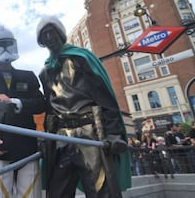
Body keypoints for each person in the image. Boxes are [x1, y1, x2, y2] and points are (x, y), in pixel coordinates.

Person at [36, 16, 131, 198]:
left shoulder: (81, 58)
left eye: (52, 32)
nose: (49, 37)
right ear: (41, 41)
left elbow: (104, 98)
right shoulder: (45, 71)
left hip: (90, 134)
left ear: (61, 34)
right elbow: (50, 110)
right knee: (57, 192)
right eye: (44, 34)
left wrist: (114, 133)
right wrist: (46, 140)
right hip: (62, 138)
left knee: (100, 191)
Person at [0, 25, 45, 198]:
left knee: (30, 194)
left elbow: (41, 103)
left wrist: (15, 102)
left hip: (27, 147)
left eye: (7, 43)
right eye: (0, 44)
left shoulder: (28, 76)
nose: (4, 48)